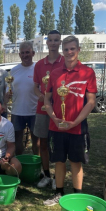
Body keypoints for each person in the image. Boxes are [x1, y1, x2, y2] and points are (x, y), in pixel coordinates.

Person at [43, 36, 97, 206]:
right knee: (59, 161)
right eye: (66, 49)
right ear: (62, 51)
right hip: (57, 126)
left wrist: (75, 122)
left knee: (76, 161)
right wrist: (54, 117)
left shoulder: (88, 73)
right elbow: (47, 100)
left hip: (77, 127)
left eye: (72, 49)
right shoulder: (55, 73)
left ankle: (77, 196)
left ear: (78, 50)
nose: (69, 52)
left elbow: (91, 102)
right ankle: (59, 193)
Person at [33, 30, 65, 189]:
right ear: (47, 42)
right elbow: (35, 87)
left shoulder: (66, 62)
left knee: (59, 144)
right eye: (50, 40)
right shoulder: (39, 65)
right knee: (43, 144)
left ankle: (58, 179)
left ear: (60, 42)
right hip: (42, 110)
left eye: (56, 40)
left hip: (61, 111)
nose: (53, 43)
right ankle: (46, 175)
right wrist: (40, 96)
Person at [5, 41, 39, 156]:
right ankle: (19, 164)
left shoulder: (38, 68)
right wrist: (7, 96)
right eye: (22, 53)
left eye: (27, 52)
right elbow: (9, 89)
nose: (25, 55)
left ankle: (37, 165)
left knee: (37, 142)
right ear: (19, 55)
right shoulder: (14, 70)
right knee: (17, 141)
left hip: (34, 111)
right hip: (17, 111)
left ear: (33, 53)